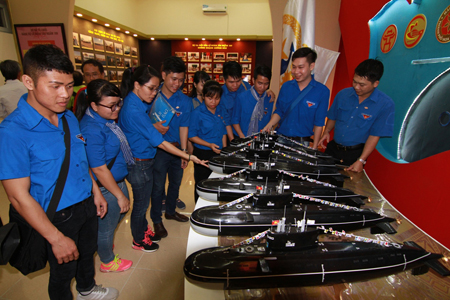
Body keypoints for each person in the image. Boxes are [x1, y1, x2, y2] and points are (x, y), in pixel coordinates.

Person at [0, 45, 118, 299]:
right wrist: (55, 238)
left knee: (87, 253)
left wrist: (95, 191)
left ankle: (87, 288)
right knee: (63, 272)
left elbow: (79, 158)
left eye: (68, 85)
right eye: (55, 86)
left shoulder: (67, 117)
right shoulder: (13, 131)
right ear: (28, 81)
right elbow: (18, 197)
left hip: (85, 204)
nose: (65, 94)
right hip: (56, 216)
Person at [119, 65, 207, 249]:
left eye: (156, 88)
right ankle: (139, 239)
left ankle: (143, 230)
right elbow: (161, 143)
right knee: (142, 205)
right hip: (139, 163)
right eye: (151, 88)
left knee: (144, 202)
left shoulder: (136, 101)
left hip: (144, 159)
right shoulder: (133, 109)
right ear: (137, 85)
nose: (154, 94)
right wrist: (189, 156)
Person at [77, 79, 134, 272]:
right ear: (93, 105)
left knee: (117, 215)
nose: (116, 109)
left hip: (114, 181)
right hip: (105, 186)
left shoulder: (106, 121)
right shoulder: (92, 130)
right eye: (111, 106)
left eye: (119, 103)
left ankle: (104, 244)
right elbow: (99, 169)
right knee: (107, 226)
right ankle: (108, 261)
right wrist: (119, 195)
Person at [318, 59, 395, 173]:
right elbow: (333, 116)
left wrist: (361, 160)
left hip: (355, 154)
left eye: (362, 85)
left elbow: (374, 136)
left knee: (344, 187)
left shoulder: (385, 104)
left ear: (375, 83)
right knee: (322, 181)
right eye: (355, 82)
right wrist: (327, 131)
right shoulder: (343, 94)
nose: (356, 87)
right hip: (333, 148)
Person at [151, 56, 194, 238]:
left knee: (176, 183)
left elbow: (184, 126)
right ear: (163, 75)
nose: (177, 84)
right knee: (158, 186)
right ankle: (156, 220)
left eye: (181, 80)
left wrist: (184, 152)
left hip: (176, 149)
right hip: (159, 149)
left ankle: (170, 211)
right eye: (173, 79)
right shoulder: (152, 96)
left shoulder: (184, 101)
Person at [262, 47, 330, 149]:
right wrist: (269, 125)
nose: (296, 71)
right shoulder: (286, 87)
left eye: (301, 67)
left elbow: (319, 122)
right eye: (294, 67)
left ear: (311, 66)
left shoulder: (322, 91)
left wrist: (315, 147)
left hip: (303, 144)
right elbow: (279, 111)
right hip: (281, 140)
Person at [189, 80, 227, 202]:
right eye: (210, 98)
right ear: (204, 96)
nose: (213, 102)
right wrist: (209, 144)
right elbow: (191, 136)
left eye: (217, 98)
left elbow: (223, 131)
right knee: (202, 183)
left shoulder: (221, 110)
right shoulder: (197, 113)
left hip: (218, 153)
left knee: (216, 183)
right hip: (202, 153)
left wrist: (225, 152)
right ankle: (199, 209)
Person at [220, 61, 276, 141]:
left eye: (238, 81)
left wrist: (268, 92)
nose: (235, 85)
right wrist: (233, 141)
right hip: (231, 135)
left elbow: (258, 92)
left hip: (251, 135)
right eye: (231, 82)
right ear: (225, 80)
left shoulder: (246, 87)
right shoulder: (220, 95)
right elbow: (226, 122)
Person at [232, 65, 273, 138]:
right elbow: (235, 120)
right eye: (259, 83)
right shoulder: (241, 97)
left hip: (260, 139)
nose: (262, 87)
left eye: (266, 84)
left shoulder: (269, 98)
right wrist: (242, 137)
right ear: (253, 80)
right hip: (242, 137)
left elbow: (269, 120)